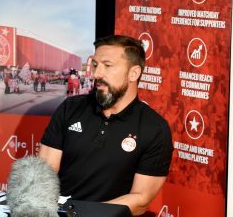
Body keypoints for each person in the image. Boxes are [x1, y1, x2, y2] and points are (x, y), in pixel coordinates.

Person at [39, 35, 172, 216]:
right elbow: (44, 173)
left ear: (134, 73)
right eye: (95, 65)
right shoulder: (69, 109)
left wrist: (83, 214)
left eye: (107, 66)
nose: (96, 74)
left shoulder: (155, 129)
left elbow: (141, 199)